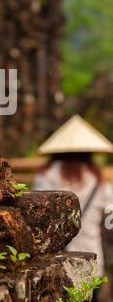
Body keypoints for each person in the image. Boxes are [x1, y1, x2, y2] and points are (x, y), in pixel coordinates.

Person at [34, 115, 113, 280]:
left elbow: (37, 214)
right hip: (91, 257)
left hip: (56, 263)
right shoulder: (97, 180)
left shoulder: (48, 176)